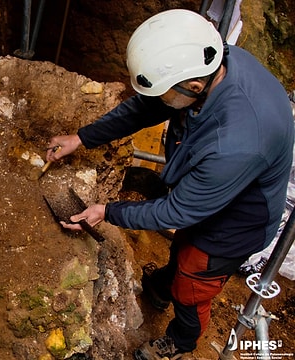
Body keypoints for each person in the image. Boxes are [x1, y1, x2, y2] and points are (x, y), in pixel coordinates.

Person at [46, 9, 294, 360]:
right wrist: (82, 138)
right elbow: (143, 110)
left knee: (194, 279)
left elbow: (177, 211)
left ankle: (181, 341)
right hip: (215, 189)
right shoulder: (213, 62)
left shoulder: (235, 144)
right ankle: (163, 287)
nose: (160, 101)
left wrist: (107, 211)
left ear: (194, 87)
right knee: (183, 250)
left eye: (165, 93)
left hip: (237, 225)